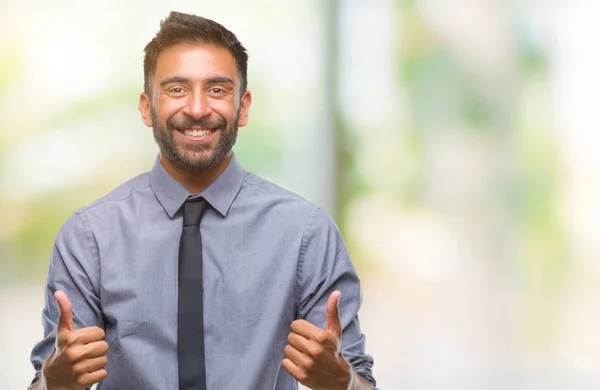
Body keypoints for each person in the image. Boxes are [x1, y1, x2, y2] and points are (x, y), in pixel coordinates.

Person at [29, 11, 376, 390]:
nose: (196, 109)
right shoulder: (89, 236)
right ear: (147, 107)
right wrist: (53, 383)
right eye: (177, 89)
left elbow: (361, 381)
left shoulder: (306, 234)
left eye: (217, 89)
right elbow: (48, 377)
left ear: (242, 107)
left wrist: (343, 382)